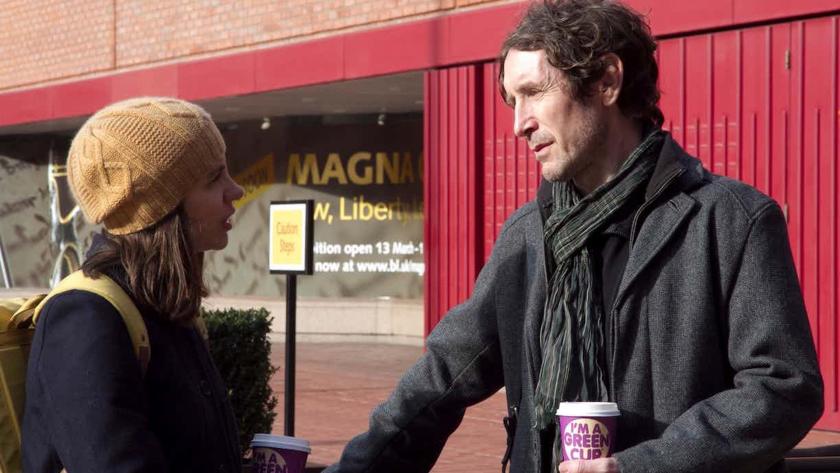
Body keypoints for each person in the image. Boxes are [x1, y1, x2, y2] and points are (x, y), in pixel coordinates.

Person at [325, 1, 823, 472]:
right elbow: (440, 380)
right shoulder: (527, 236)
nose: (519, 124)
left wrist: (645, 465)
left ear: (606, 81)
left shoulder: (731, 220)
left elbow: (783, 388)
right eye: (512, 101)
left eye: (534, 92)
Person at [22, 97, 245, 471]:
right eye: (213, 178)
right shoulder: (86, 316)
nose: (235, 190)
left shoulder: (165, 305)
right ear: (160, 206)